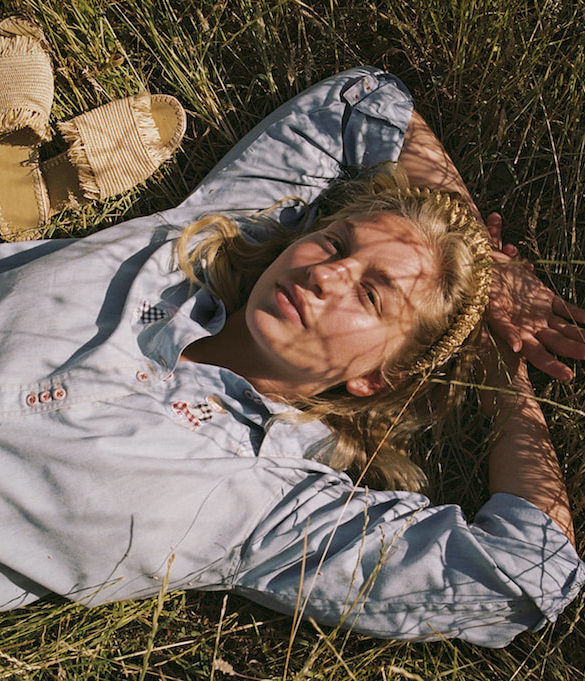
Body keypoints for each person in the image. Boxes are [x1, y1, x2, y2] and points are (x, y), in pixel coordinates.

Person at [0, 66, 583, 648]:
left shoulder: (273, 506)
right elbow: (364, 100)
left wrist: (503, 368)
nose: (326, 274)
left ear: (378, 378)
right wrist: (491, 270)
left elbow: (528, 571)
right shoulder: (200, 243)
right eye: (335, 243)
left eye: (371, 294)